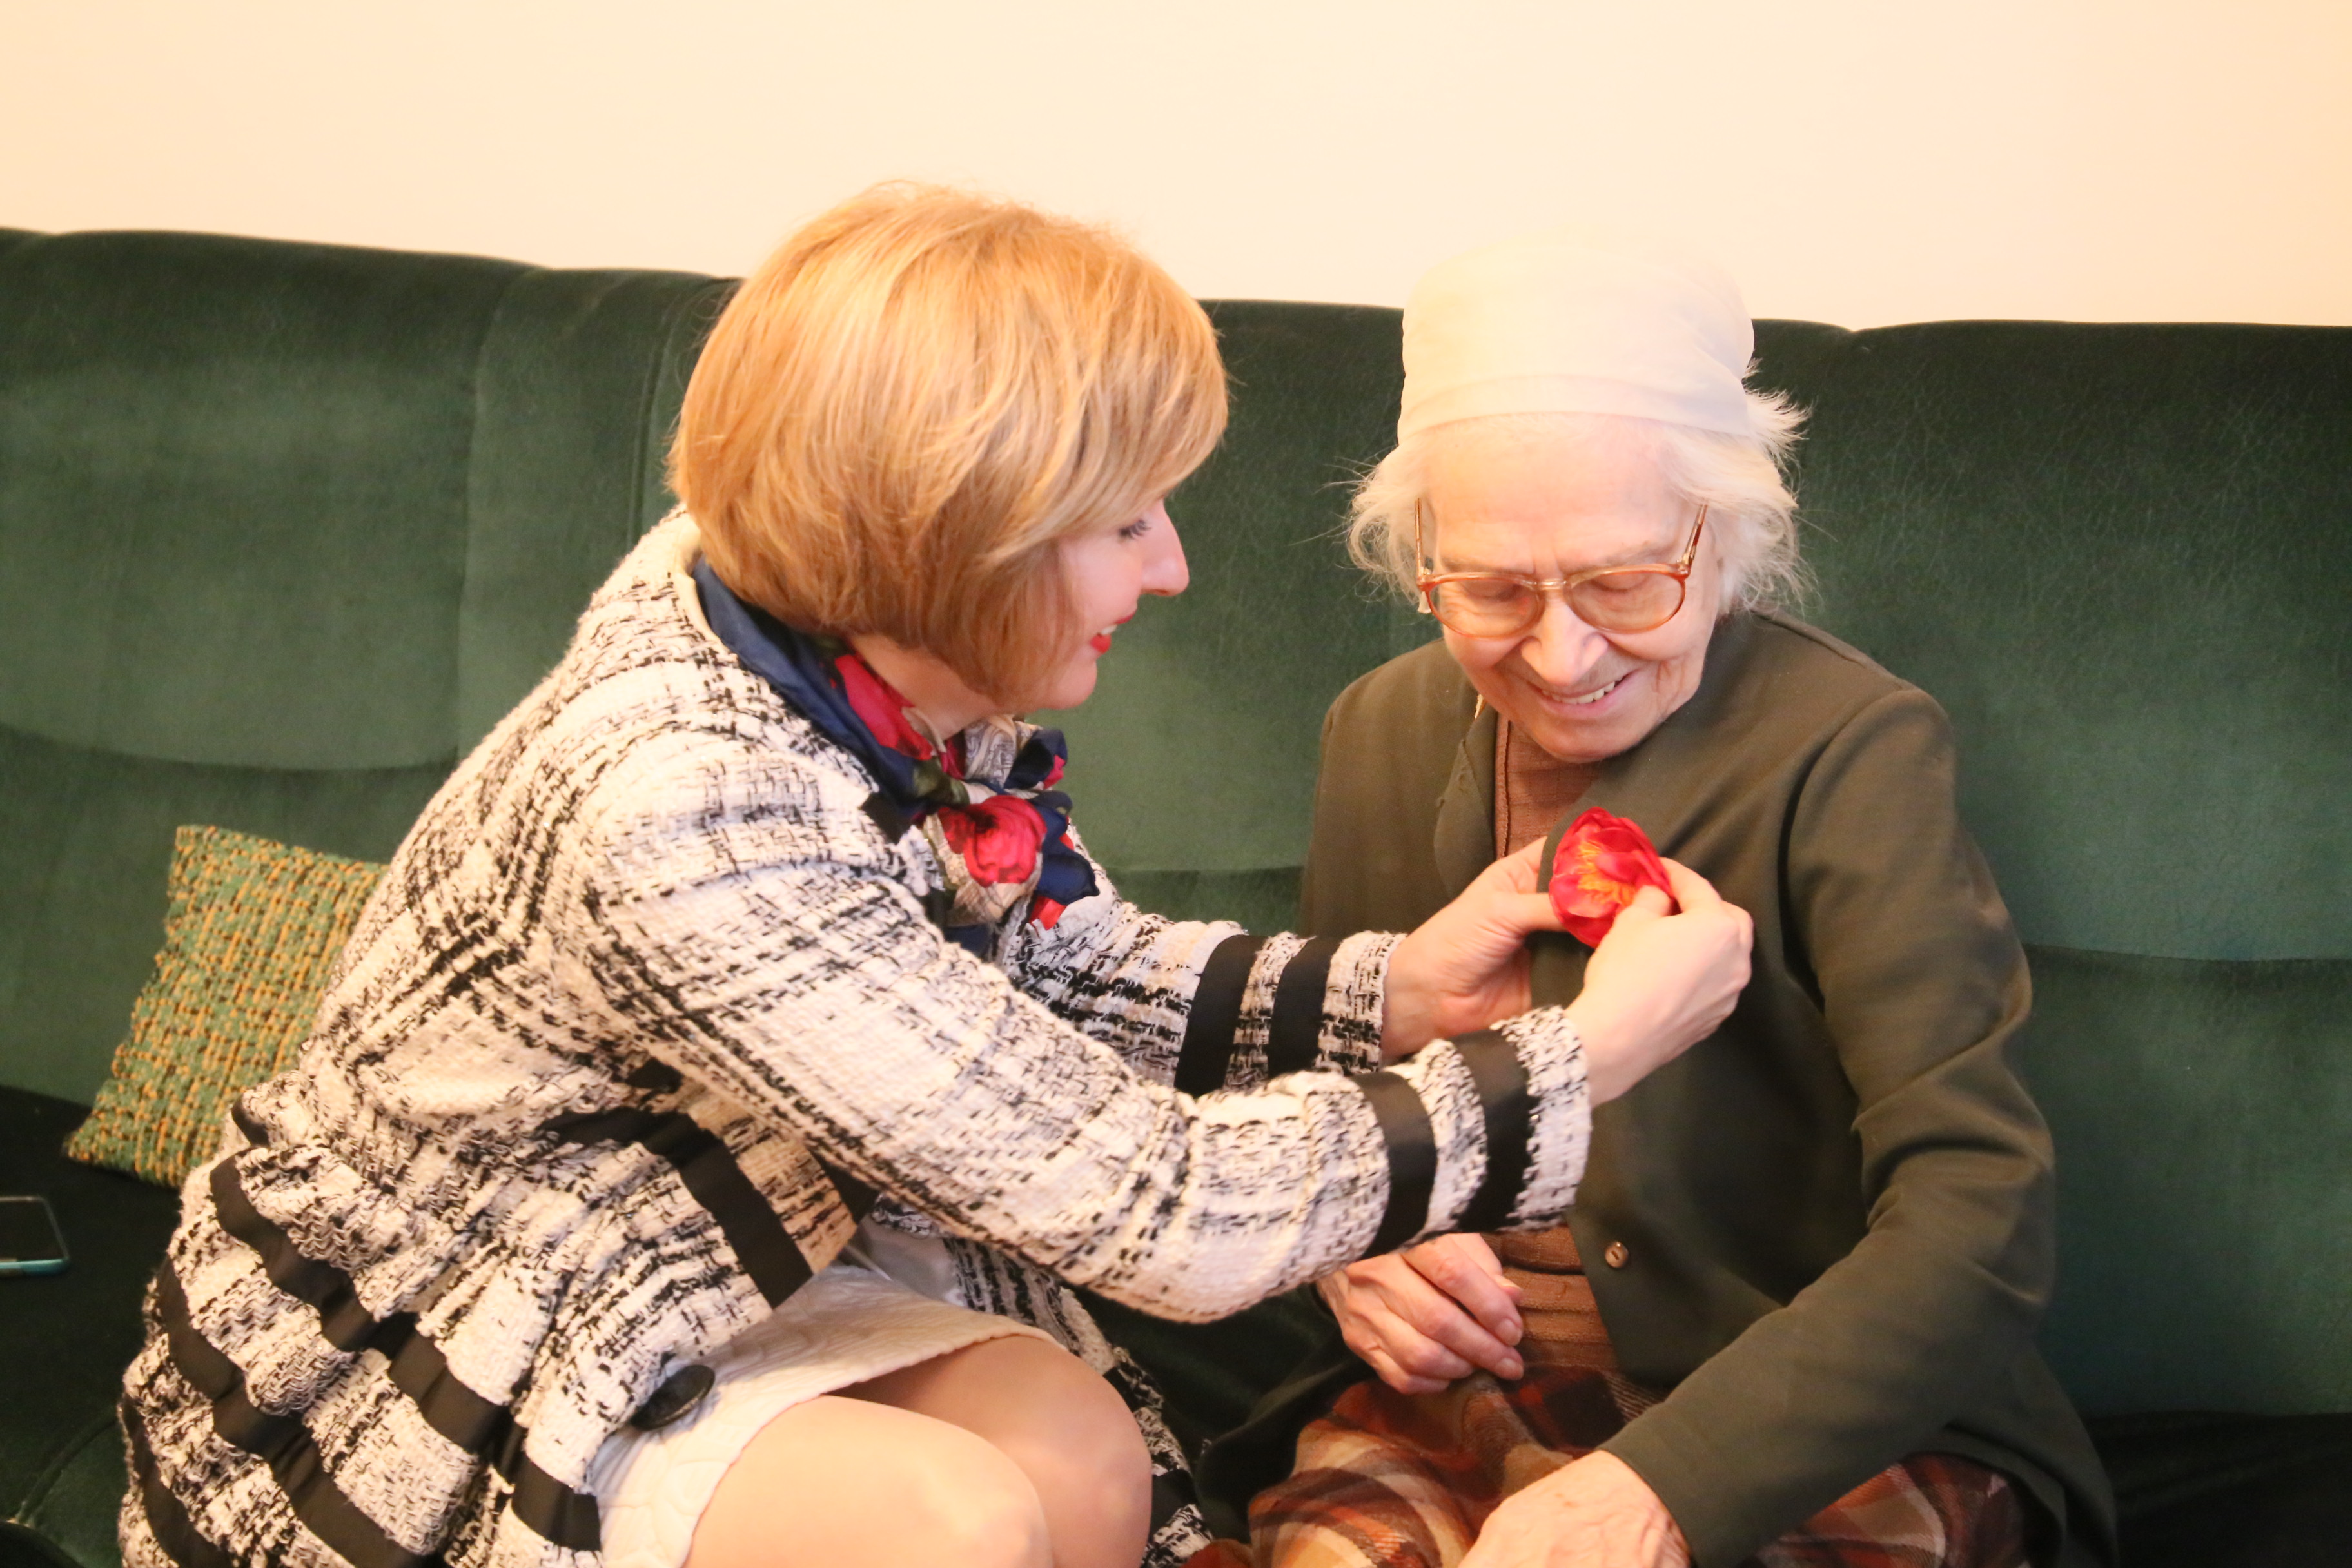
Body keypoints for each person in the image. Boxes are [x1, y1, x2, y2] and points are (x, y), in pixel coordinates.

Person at [115, 189, 1755, 1568]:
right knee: (957, 1519)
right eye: (1124, 523)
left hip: (729, 1244)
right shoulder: (680, 808)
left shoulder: (830, 629)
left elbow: (1051, 962)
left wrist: (1392, 987)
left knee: (1090, 1455)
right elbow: (1162, 1211)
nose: (1173, 565)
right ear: (954, 538)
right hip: (472, 1325)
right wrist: (1584, 1051)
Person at [1221, 231, 2115, 1568]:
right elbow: (1332, 1090)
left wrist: (1659, 1490)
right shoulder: (1376, 729)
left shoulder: (1854, 745)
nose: (1562, 651)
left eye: (1625, 580)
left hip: (1806, 1412)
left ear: (1730, 537)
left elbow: (1976, 1204)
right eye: (1492, 586)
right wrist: (1351, 1248)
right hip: (1461, 1408)